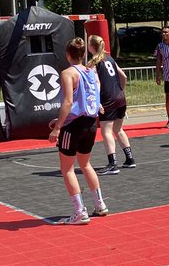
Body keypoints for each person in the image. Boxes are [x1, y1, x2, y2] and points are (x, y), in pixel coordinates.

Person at [48, 37, 109, 224]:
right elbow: (91, 95)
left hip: (73, 125)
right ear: (83, 54)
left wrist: (58, 127)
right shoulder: (90, 71)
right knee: (86, 164)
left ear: (68, 55)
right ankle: (100, 204)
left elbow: (68, 102)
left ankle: (79, 211)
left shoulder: (68, 73)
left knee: (67, 169)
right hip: (90, 123)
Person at [87, 34, 134, 175]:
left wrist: (97, 101)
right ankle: (130, 159)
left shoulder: (93, 63)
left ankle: (113, 164)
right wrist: (120, 91)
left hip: (108, 100)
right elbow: (123, 76)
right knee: (118, 129)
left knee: (106, 131)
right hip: (120, 98)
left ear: (91, 47)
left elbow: (97, 83)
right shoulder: (110, 58)